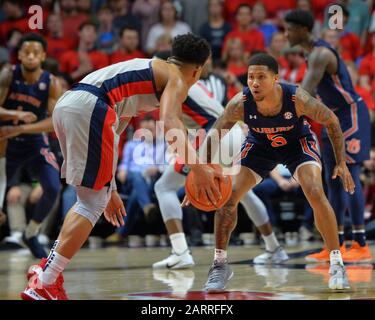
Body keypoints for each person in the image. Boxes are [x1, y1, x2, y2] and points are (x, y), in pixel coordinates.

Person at [20, 33, 221, 300]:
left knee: (89, 200)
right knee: (91, 205)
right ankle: (45, 282)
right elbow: (172, 123)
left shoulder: (148, 72)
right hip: (91, 107)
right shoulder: (176, 77)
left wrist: (110, 185)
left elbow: (114, 133)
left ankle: (47, 271)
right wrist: (198, 168)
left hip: (69, 106)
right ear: (198, 69)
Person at [193, 53, 353, 292]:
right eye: (250, 77)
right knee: (228, 197)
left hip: (297, 144)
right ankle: (219, 265)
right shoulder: (240, 103)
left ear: (276, 78)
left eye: (261, 77)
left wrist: (341, 162)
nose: (254, 83)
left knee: (315, 191)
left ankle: (337, 263)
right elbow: (216, 132)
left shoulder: (297, 98)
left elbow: (331, 120)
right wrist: (201, 170)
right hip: (260, 145)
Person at [153, 51, 288, 269]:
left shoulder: (172, 83)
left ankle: (180, 252)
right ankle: (274, 248)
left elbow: (176, 122)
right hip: (233, 134)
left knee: (164, 186)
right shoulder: (196, 82)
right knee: (243, 193)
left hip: (213, 137)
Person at [284, 9, 373, 263]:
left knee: (349, 174)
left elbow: (305, 92)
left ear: (302, 29)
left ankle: (360, 243)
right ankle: (336, 244)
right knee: (331, 180)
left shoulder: (321, 53)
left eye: (289, 29)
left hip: (350, 114)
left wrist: (279, 109)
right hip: (330, 116)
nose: (286, 34)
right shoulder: (310, 52)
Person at [0, 32, 62, 259]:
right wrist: (11, 115)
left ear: (44, 56)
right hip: (6, 142)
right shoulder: (8, 74)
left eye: (36, 52)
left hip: (34, 141)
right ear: (19, 55)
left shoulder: (51, 82)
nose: (31, 56)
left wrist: (21, 127)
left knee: (53, 187)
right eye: (27, 52)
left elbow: (53, 122)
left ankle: (32, 231)